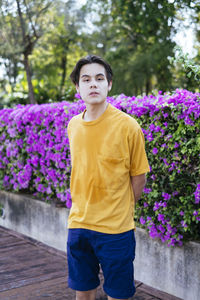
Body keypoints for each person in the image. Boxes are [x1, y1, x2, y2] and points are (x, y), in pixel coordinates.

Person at [67, 55, 150, 300]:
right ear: (77, 87)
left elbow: (139, 177)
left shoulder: (128, 126)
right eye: (86, 79)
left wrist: (120, 208)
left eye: (99, 78)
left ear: (109, 84)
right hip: (78, 225)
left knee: (118, 295)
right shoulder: (73, 126)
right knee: (83, 293)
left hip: (116, 230)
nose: (93, 84)